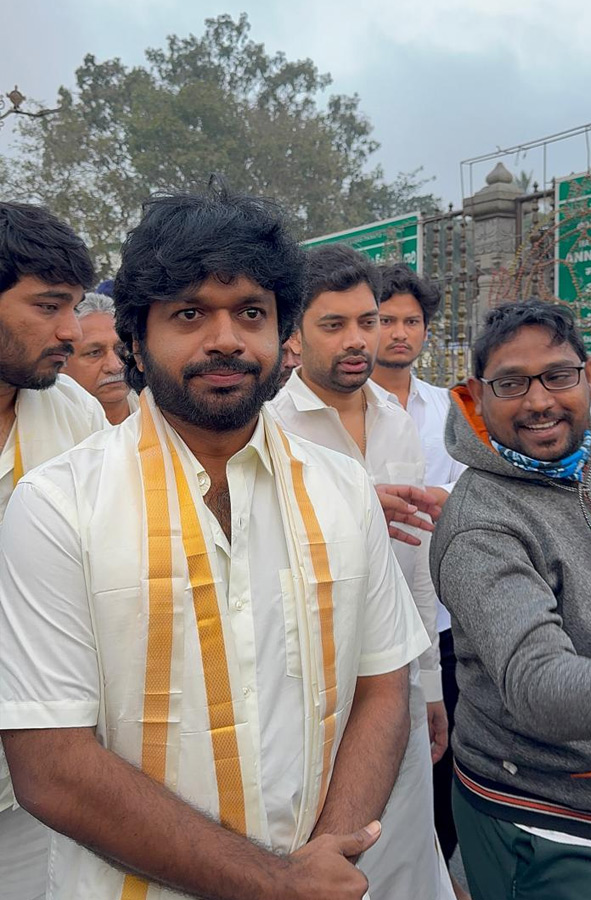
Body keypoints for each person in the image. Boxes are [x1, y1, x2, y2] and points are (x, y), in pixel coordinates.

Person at [0, 186, 430, 900]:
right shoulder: (56, 505)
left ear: (281, 337)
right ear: (137, 339)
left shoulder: (342, 488)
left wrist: (327, 855)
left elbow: (382, 685)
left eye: (251, 314)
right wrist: (274, 883)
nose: (226, 339)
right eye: (190, 313)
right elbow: (50, 764)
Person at [269, 244, 453, 900]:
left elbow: (415, 568)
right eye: (334, 324)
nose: (359, 340)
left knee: (402, 852)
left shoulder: (396, 422)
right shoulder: (268, 428)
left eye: (368, 321)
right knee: (318, 858)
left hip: (394, 679)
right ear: (293, 335)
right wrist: (344, 513)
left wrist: (428, 684)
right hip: (302, 693)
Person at [430, 300, 591, 900]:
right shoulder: (481, 526)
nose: (539, 401)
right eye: (511, 383)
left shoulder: (587, 467)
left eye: (558, 375)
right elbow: (540, 688)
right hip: (548, 809)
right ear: (477, 396)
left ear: (590, 376)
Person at [0, 201, 108, 900]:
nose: (70, 331)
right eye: (48, 306)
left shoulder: (77, 416)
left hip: (34, 777)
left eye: (73, 306)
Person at [371, 263, 466, 882]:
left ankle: (437, 870)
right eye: (386, 321)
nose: (399, 334)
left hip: (448, 611)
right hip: (377, 609)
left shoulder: (450, 407)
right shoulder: (340, 408)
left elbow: (475, 487)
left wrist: (446, 499)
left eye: (412, 321)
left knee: (443, 745)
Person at [66, 291, 139, 423]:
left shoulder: (164, 418)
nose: (115, 366)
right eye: (94, 352)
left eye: (122, 349)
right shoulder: (48, 432)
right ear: (61, 364)